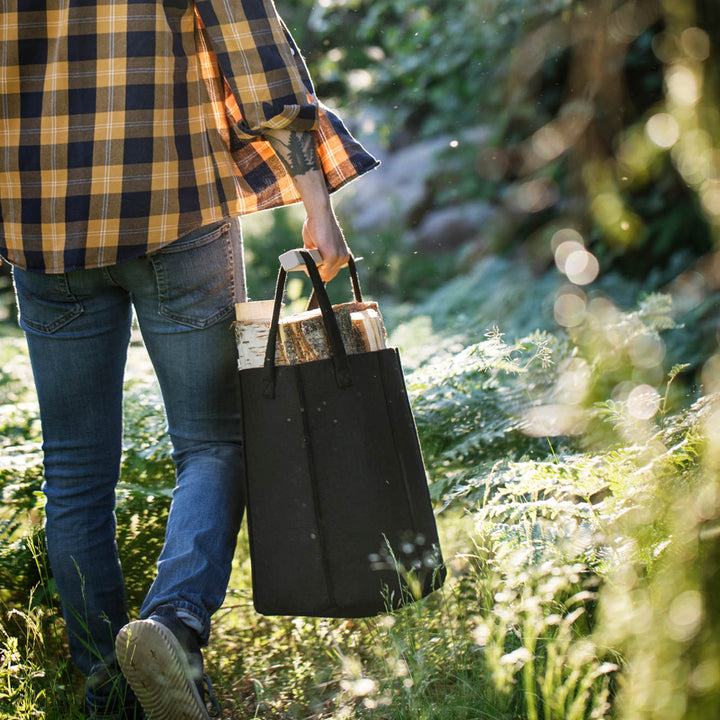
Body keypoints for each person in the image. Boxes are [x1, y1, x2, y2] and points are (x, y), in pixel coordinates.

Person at [0, 0, 377, 717]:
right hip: (175, 208)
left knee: (74, 472)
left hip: (42, 226)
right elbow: (261, 60)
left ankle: (107, 694)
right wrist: (319, 207)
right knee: (213, 441)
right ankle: (172, 629)